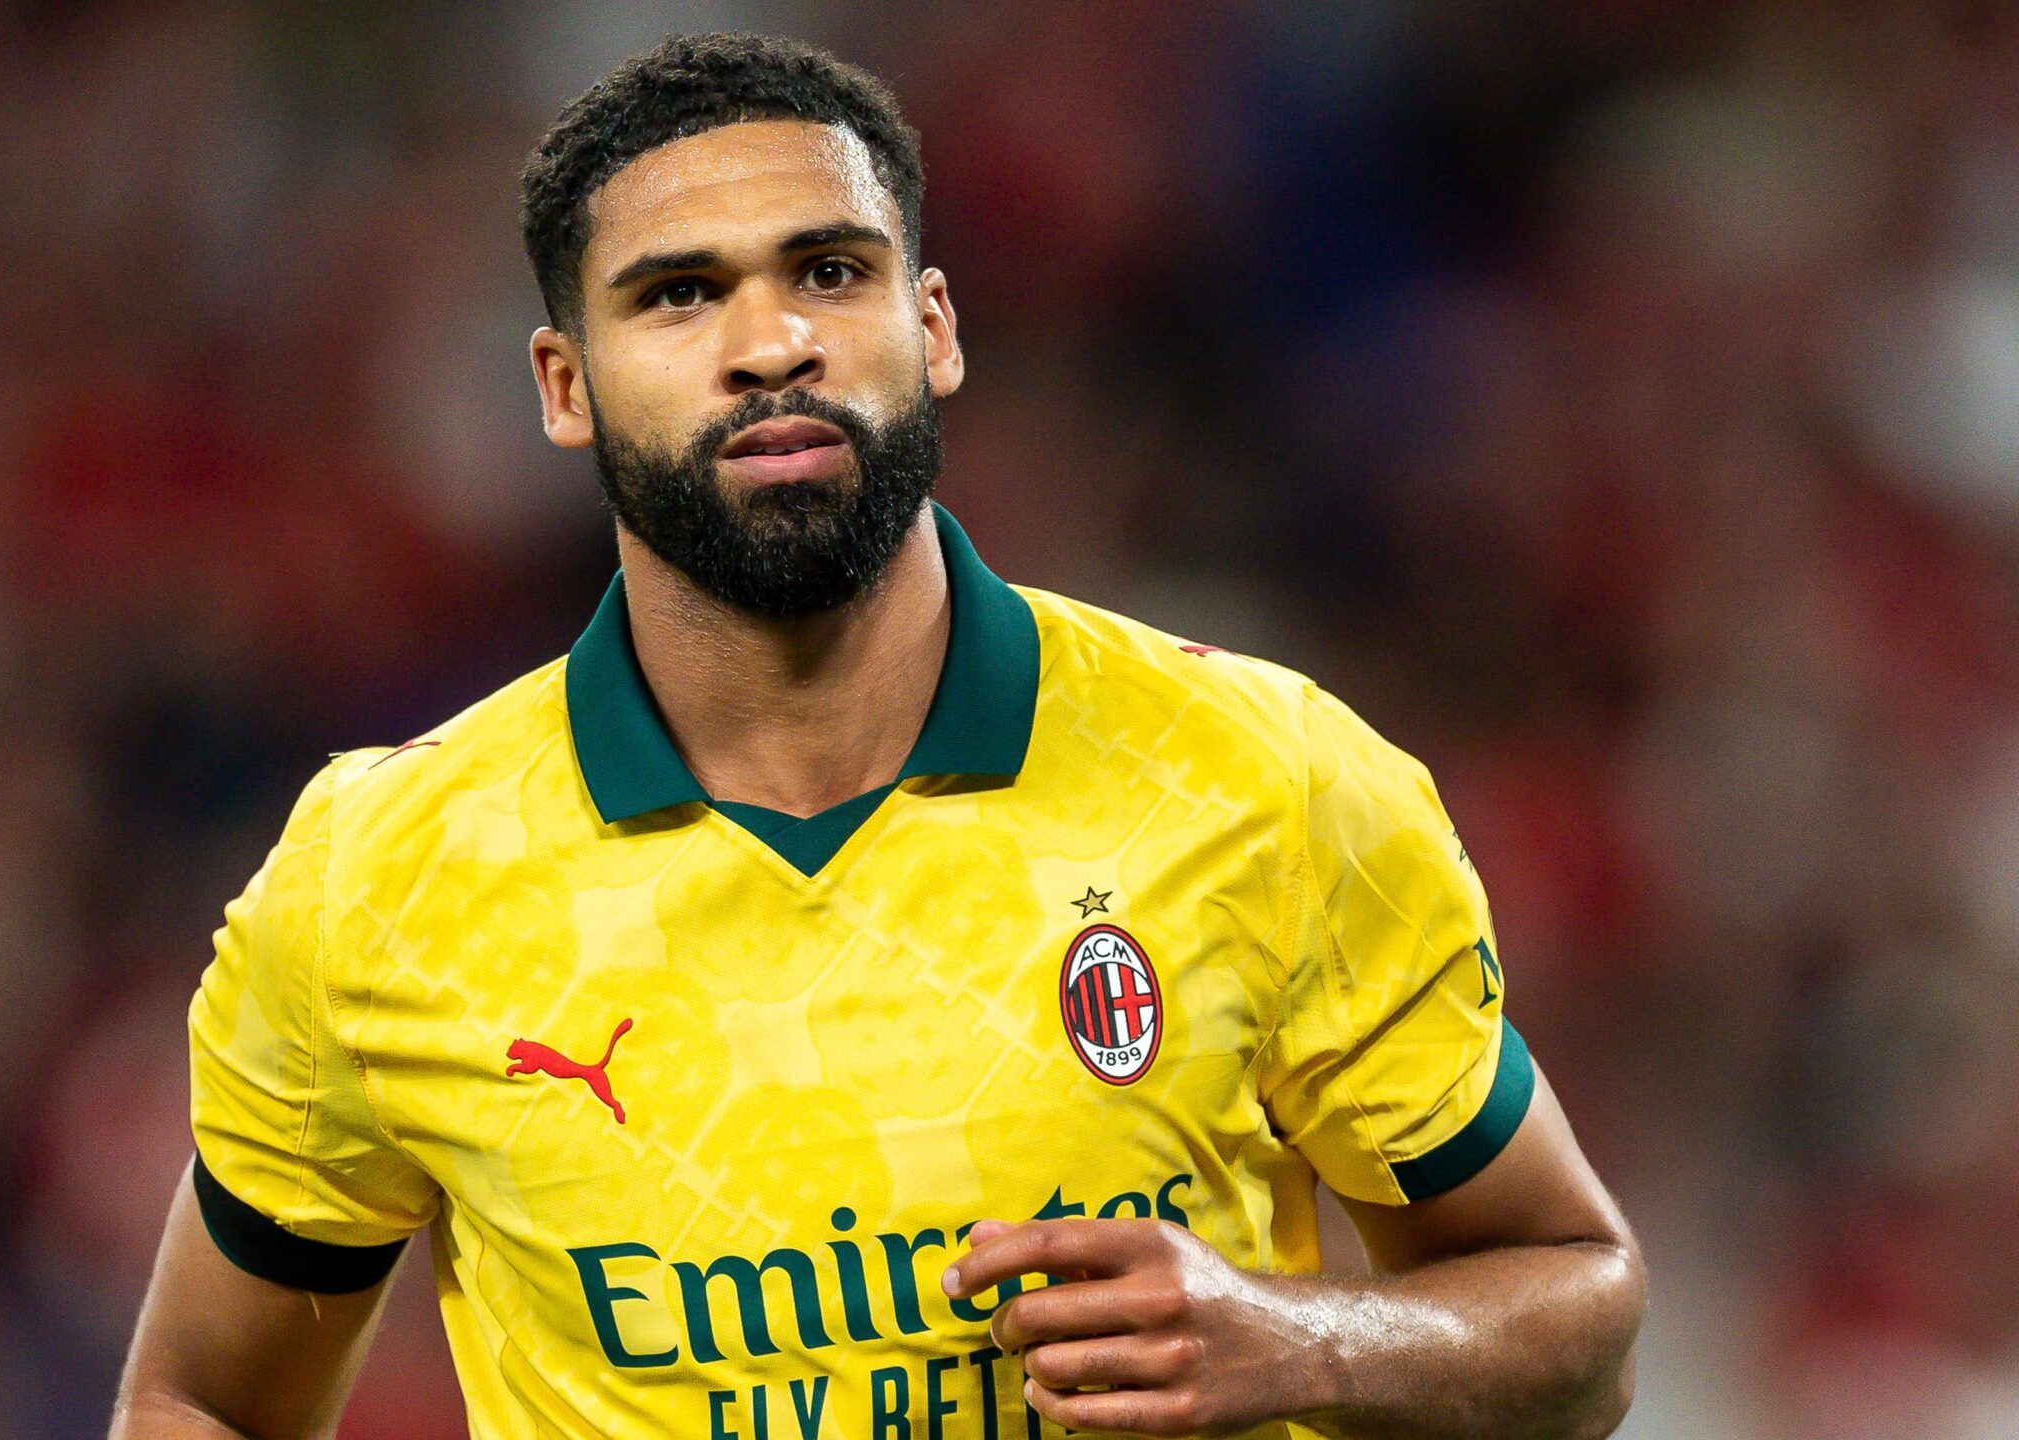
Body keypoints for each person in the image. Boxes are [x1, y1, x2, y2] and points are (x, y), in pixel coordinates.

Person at [111, 31, 1645, 1440]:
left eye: (830, 271)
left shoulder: (1261, 774)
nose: (771, 340)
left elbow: (1579, 1318)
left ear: (933, 327)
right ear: (565, 387)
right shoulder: (384, 880)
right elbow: (198, 1399)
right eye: (678, 293)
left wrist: (1302, 1341)